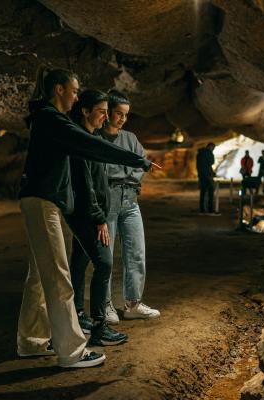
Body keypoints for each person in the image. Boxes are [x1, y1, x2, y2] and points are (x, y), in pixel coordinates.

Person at [17, 67, 154, 369]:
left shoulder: (50, 120)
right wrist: (136, 159)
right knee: (58, 276)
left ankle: (32, 341)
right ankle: (72, 351)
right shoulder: (52, 120)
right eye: (74, 91)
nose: (77, 96)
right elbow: (94, 146)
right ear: (58, 90)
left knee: (39, 277)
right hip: (43, 202)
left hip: (42, 200)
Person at [65, 90, 128, 347]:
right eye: (102, 111)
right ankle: (100, 326)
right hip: (87, 216)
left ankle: (79, 316)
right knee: (104, 264)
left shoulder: (91, 137)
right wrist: (99, 218)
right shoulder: (82, 141)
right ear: (85, 111)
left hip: (87, 214)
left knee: (79, 263)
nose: (106, 116)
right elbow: (84, 184)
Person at [101, 89, 160, 324]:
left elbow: (141, 165)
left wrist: (131, 182)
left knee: (136, 252)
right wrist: (121, 176)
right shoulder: (97, 138)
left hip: (130, 201)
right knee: (105, 256)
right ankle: (104, 304)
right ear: (107, 113)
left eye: (126, 114)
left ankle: (133, 304)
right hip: (108, 200)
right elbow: (100, 171)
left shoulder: (131, 138)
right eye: (118, 113)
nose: (122, 119)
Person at [196, 142, 217, 214]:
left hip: (202, 175)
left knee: (203, 193)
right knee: (210, 192)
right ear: (210, 147)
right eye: (213, 148)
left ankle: (202, 209)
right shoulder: (208, 153)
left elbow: (199, 166)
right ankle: (210, 209)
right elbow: (211, 162)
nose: (213, 149)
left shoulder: (200, 154)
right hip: (207, 175)